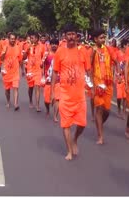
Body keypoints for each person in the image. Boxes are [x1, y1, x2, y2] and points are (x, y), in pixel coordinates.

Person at [51, 23, 91, 160]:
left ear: (77, 36)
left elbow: (88, 71)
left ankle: (75, 139)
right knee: (66, 124)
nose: (71, 37)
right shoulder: (60, 52)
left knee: (82, 124)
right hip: (65, 95)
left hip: (80, 95)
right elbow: (55, 73)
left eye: (73, 34)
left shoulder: (83, 51)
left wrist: (92, 86)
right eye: (69, 34)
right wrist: (52, 92)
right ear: (65, 36)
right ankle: (69, 150)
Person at [89, 29, 118, 145]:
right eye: (101, 37)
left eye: (103, 37)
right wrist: (91, 83)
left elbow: (115, 61)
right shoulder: (93, 50)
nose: (103, 39)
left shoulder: (108, 49)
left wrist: (119, 73)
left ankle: (99, 122)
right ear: (95, 39)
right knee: (99, 108)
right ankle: (100, 136)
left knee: (107, 111)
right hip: (97, 83)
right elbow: (89, 66)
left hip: (108, 84)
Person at [23, 32, 46, 111]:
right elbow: (24, 57)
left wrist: (42, 64)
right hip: (30, 70)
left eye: (33, 38)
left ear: (37, 38)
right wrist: (27, 51)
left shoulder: (42, 47)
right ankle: (30, 101)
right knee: (31, 88)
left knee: (37, 87)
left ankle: (37, 105)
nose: (32, 40)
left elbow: (44, 57)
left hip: (38, 70)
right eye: (31, 38)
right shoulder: (28, 46)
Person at [0, 33, 22, 110]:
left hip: (15, 72)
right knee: (7, 90)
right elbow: (1, 59)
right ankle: (8, 101)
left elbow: (20, 59)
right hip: (7, 72)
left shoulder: (18, 47)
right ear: (8, 39)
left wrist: (21, 70)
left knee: (16, 88)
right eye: (11, 38)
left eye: (14, 39)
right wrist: (4, 52)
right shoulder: (5, 47)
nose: (13, 40)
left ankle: (16, 103)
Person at [43, 39, 59, 117]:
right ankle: (47, 109)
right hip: (48, 79)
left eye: (55, 44)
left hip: (58, 79)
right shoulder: (47, 54)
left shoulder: (60, 54)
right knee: (46, 100)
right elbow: (41, 65)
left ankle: (55, 116)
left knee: (57, 98)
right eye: (52, 44)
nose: (54, 45)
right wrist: (44, 59)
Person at [116, 39, 128, 119]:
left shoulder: (128, 54)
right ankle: (119, 109)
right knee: (119, 96)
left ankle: (124, 111)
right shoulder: (118, 53)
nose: (128, 47)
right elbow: (116, 64)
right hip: (119, 76)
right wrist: (118, 75)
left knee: (125, 96)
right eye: (127, 45)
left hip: (126, 76)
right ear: (124, 45)